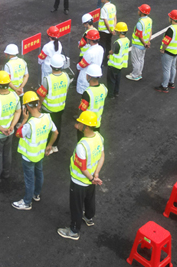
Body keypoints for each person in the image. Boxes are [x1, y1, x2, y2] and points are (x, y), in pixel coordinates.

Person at [57, 111, 105, 241]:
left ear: (86, 127)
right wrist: (96, 175)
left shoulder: (82, 145)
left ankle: (74, 230)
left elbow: (82, 168)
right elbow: (102, 156)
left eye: (80, 123)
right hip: (91, 179)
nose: (78, 124)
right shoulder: (99, 137)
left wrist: (91, 178)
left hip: (79, 181)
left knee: (76, 206)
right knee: (89, 199)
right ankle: (89, 217)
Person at [12, 91, 59, 210]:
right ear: (38, 103)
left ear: (27, 107)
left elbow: (18, 134)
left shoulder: (30, 124)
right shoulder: (47, 118)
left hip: (28, 157)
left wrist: (24, 119)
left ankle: (27, 202)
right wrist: (49, 145)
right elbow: (56, 132)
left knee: (29, 180)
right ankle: (36, 194)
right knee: (39, 174)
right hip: (40, 153)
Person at [37, 54, 69, 153]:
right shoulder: (66, 76)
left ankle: (46, 146)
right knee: (57, 126)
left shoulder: (47, 79)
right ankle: (54, 146)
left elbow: (42, 95)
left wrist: (39, 104)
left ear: (51, 66)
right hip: (60, 107)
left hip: (48, 109)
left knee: (47, 128)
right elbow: (66, 90)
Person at [154, 10, 177, 93]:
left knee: (166, 70)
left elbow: (166, 42)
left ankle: (164, 86)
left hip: (168, 52)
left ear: (172, 19)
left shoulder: (171, 29)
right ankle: (171, 83)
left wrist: (162, 49)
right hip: (176, 51)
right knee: (173, 67)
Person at [77, 64, 107, 141]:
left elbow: (82, 110)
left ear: (89, 77)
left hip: (86, 125)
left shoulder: (87, 93)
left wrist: (79, 124)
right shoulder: (104, 88)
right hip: (97, 123)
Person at [127, 4, 152, 82]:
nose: (138, 11)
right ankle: (139, 74)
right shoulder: (149, 20)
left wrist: (144, 43)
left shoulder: (140, 23)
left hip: (138, 45)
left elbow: (139, 35)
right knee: (141, 59)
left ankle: (135, 75)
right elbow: (150, 31)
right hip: (144, 45)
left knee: (136, 61)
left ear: (141, 12)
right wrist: (148, 42)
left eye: (139, 10)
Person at [76, 29, 103, 94]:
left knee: (85, 95)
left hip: (86, 76)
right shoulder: (100, 48)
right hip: (95, 74)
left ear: (89, 40)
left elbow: (82, 65)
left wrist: (77, 67)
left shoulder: (89, 52)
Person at [107, 22, 130, 98]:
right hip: (120, 64)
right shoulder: (127, 40)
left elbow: (113, 51)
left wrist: (109, 53)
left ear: (119, 32)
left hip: (114, 65)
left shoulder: (118, 42)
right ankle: (116, 92)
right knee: (117, 80)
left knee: (111, 81)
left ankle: (111, 94)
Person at [97, 0, 117, 67]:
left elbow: (105, 21)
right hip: (110, 31)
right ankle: (107, 60)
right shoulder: (113, 6)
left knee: (101, 47)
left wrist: (109, 30)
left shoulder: (104, 8)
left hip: (103, 31)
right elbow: (115, 18)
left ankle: (101, 62)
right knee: (108, 45)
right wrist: (113, 29)